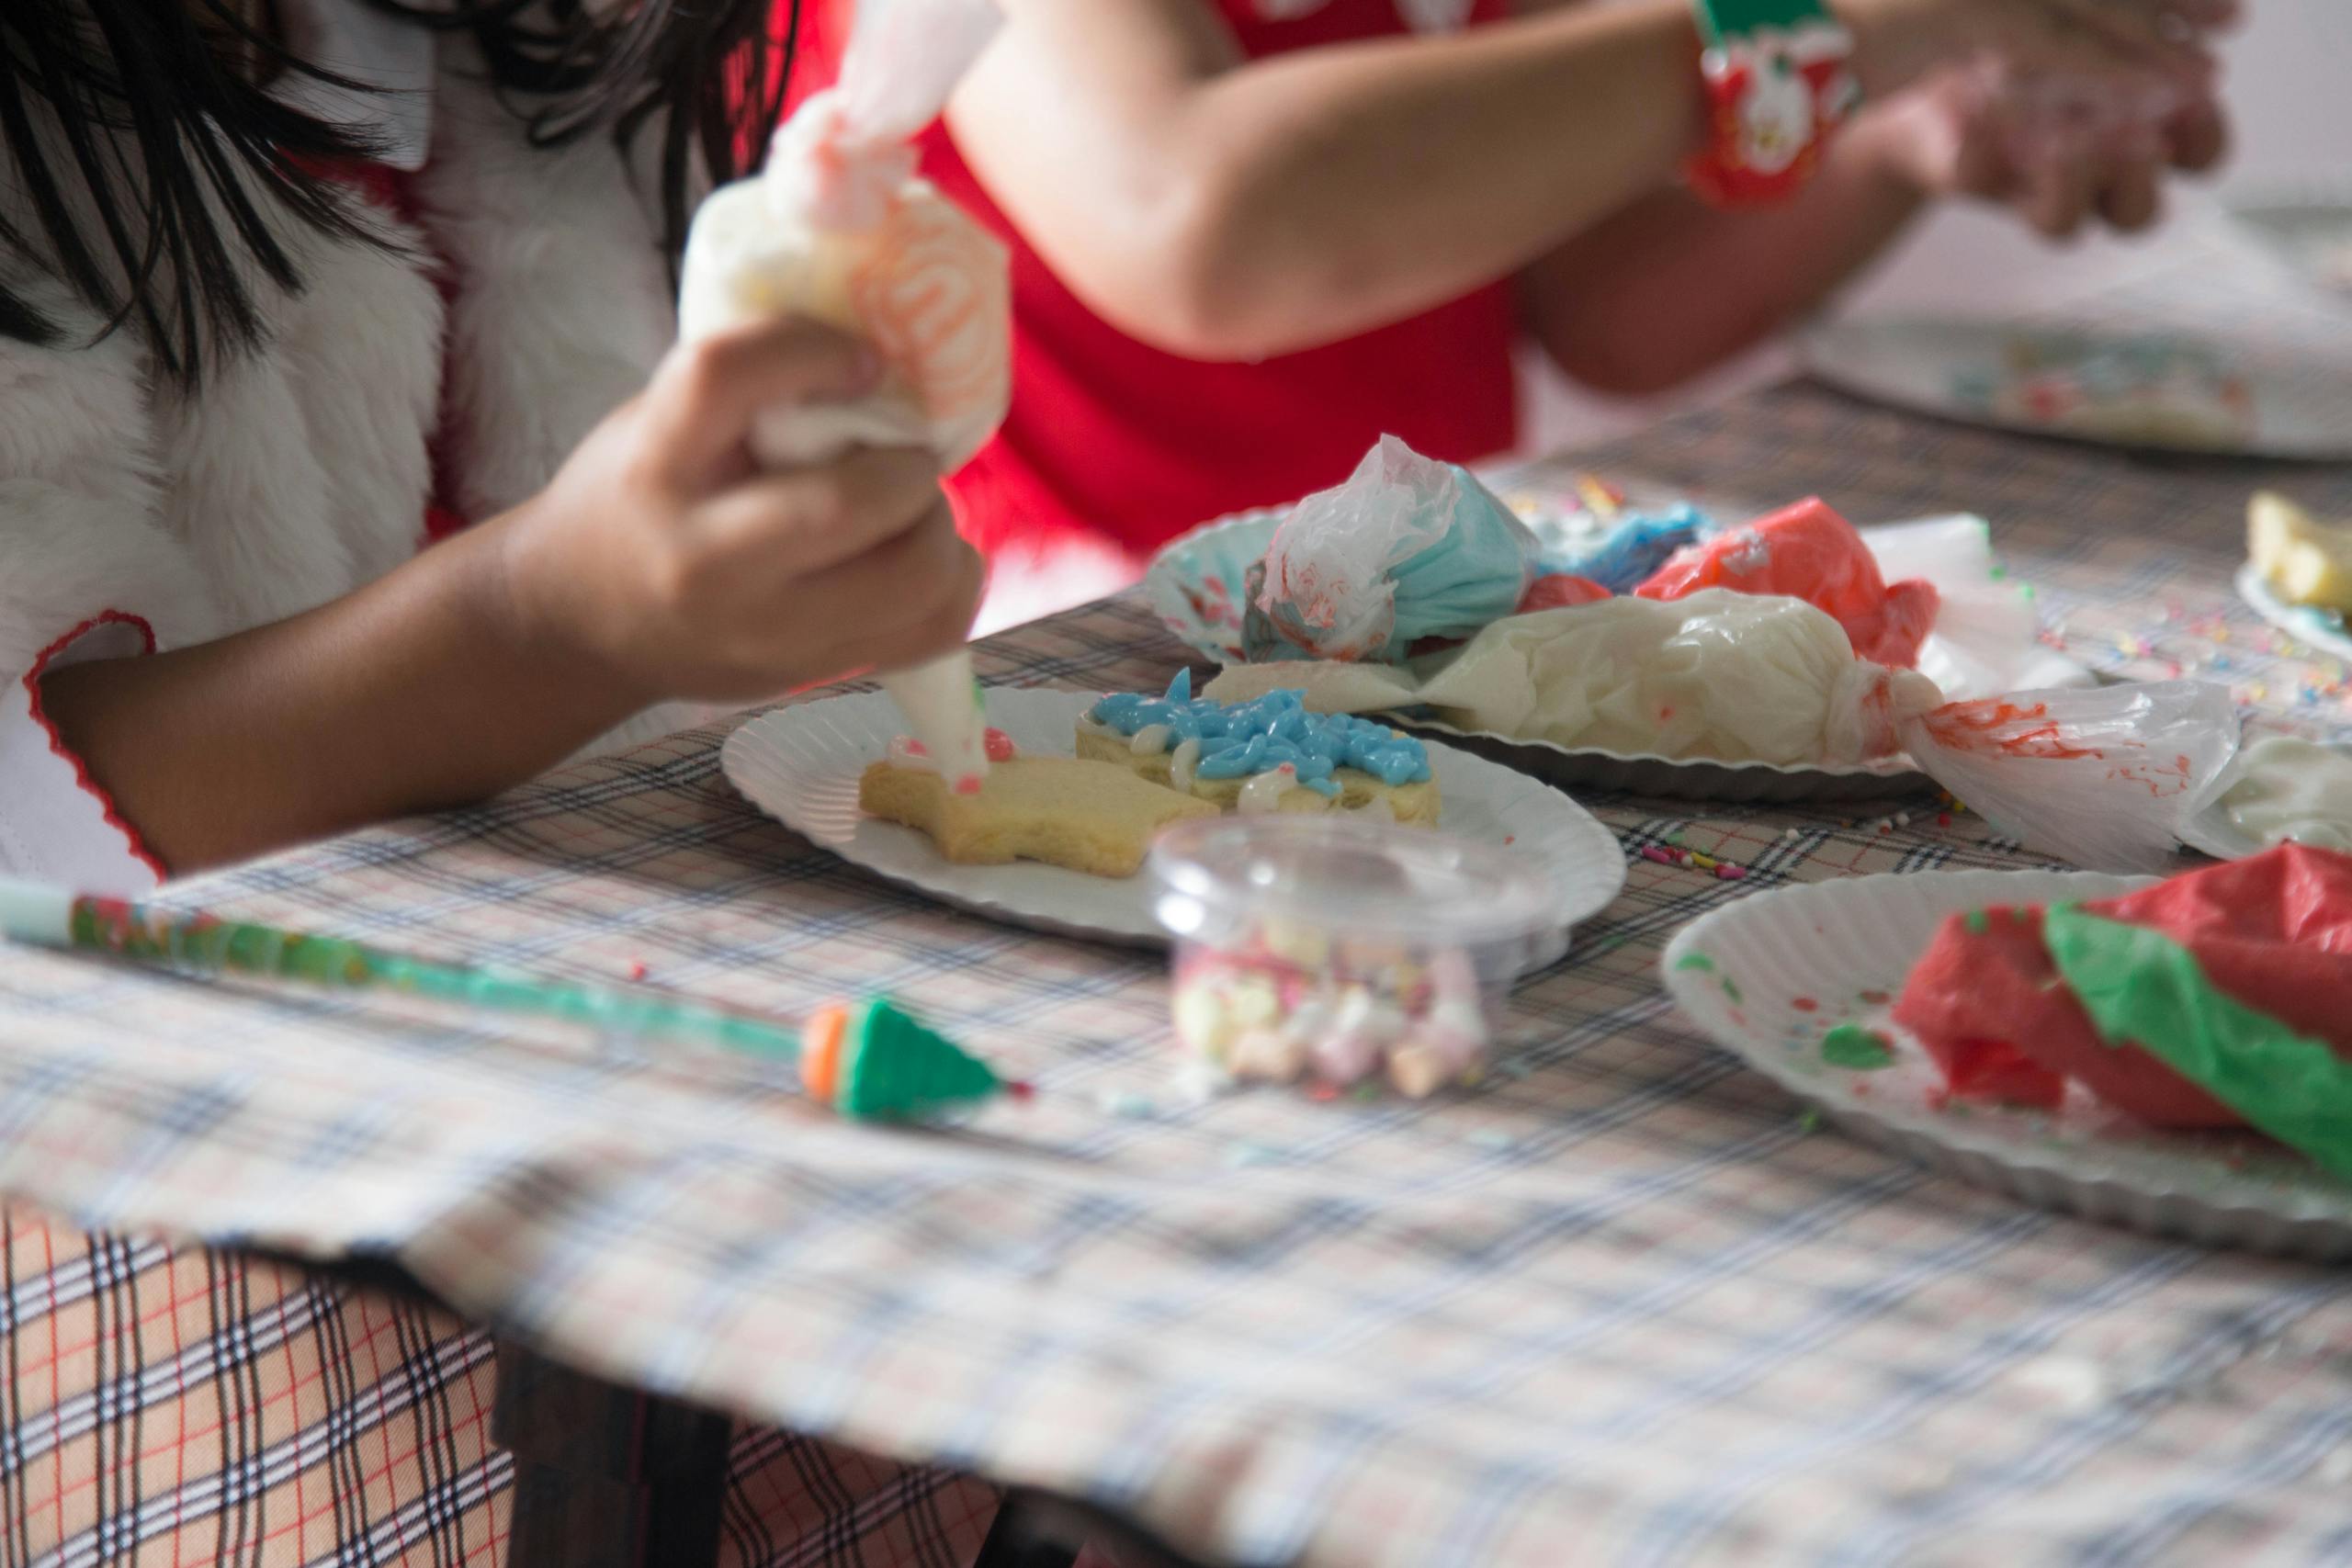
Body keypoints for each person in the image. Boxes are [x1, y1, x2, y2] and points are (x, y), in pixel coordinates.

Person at [0, 2, 1001, 1562]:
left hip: (620, 1140)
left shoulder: (525, 77)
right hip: (162, 1268)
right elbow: (26, 808)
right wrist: (548, 618)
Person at [789, 0, 2237, 601]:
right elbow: (1194, 221)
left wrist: (1905, 131)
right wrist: (1835, 24)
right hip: (995, 644)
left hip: (1398, 626)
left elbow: (1601, 304)